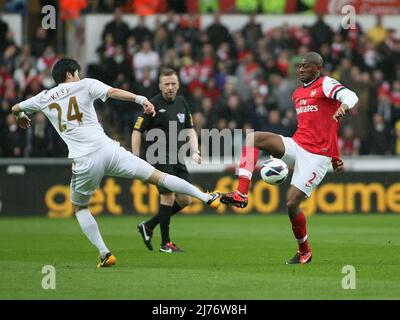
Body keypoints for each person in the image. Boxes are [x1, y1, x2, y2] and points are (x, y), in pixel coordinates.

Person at [10, 59, 221, 267]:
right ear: (69, 74)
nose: (79, 76)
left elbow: (16, 107)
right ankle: (207, 196)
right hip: (109, 150)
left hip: (84, 160)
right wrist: (140, 99)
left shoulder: (44, 97)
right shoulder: (85, 85)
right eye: (77, 72)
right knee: (160, 177)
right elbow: (113, 92)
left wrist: (20, 116)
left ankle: (105, 253)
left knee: (80, 207)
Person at [220, 52, 359, 264]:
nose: (300, 69)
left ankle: (305, 251)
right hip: (298, 144)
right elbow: (316, 125)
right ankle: (241, 193)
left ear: (317, 68)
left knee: (291, 203)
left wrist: (343, 107)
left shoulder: (326, 83)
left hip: (316, 156)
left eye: (305, 66)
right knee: (253, 138)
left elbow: (351, 96)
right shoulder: (297, 94)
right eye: (299, 66)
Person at [132, 68, 200, 253]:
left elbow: (189, 129)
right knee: (168, 195)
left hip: (177, 156)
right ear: (160, 85)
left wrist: (195, 150)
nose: (170, 87)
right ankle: (165, 243)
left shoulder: (181, 102)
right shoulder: (152, 105)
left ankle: (148, 226)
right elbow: (137, 130)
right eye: (166, 84)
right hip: (158, 155)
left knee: (185, 199)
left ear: (178, 85)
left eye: (173, 84)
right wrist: (135, 157)